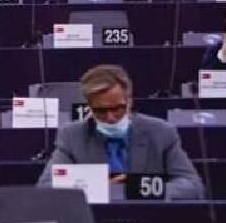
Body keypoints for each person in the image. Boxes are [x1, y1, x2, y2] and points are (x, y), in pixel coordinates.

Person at [36, 64, 204, 200]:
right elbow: (46, 187)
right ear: (89, 107)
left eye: (118, 108)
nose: (110, 117)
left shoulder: (161, 133)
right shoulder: (72, 136)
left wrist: (138, 190)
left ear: (129, 101)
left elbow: (192, 186)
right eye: (101, 111)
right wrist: (99, 188)